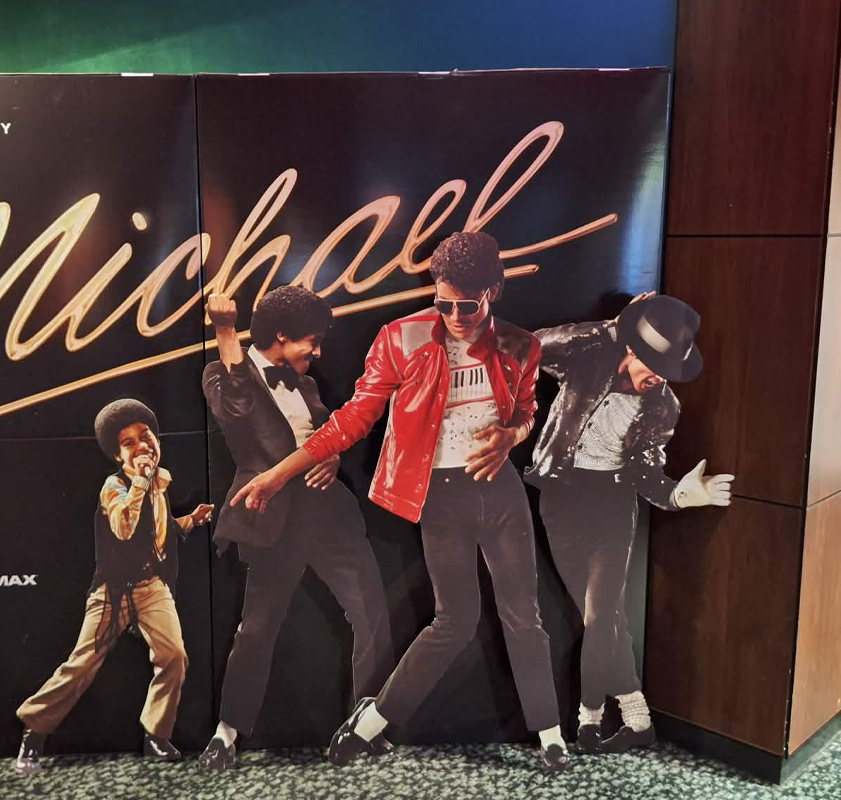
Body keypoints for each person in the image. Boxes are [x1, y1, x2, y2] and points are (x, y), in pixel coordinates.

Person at [232, 232, 570, 771]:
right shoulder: (401, 338)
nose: (454, 316)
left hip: (500, 492)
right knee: (454, 620)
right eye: (443, 302)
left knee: (524, 616)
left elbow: (527, 410)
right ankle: (371, 722)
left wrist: (512, 436)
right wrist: (277, 475)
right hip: (440, 496)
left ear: (493, 291)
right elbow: (353, 419)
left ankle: (552, 737)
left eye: (467, 305)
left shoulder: (520, 346)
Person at [198, 285, 394, 772]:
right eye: (313, 340)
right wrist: (226, 331)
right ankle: (226, 734)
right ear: (282, 336)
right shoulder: (220, 374)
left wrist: (333, 458)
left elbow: (328, 434)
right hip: (271, 520)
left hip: (330, 518)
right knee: (256, 629)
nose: (318, 352)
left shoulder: (305, 383)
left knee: (371, 614)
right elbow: (235, 409)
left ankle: (366, 725)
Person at [527, 292, 733, 754]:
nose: (658, 377)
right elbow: (536, 346)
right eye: (653, 364)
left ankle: (588, 717)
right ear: (631, 349)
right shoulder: (588, 363)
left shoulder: (663, 406)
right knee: (603, 619)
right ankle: (639, 720)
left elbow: (645, 474)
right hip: (560, 502)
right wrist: (611, 327)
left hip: (614, 507)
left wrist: (682, 494)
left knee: (601, 616)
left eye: (669, 370)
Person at [14, 399, 214, 775]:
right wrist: (140, 481)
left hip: (151, 586)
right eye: (129, 443)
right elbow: (124, 529)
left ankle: (156, 734)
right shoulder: (114, 486)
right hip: (112, 591)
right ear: (117, 455)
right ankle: (34, 731)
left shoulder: (159, 482)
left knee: (174, 656)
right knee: (83, 663)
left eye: (145, 436)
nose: (141, 446)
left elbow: (158, 532)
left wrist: (190, 520)